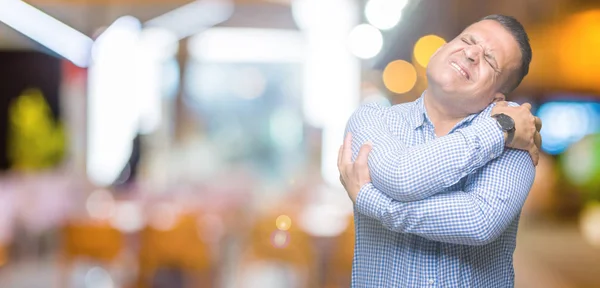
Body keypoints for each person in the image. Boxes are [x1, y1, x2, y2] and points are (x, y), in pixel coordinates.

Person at [337, 15, 541, 287]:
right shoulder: (372, 119)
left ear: (497, 97)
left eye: (490, 60)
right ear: (438, 50)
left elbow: (478, 221)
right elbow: (401, 176)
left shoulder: (519, 140)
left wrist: (375, 202)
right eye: (467, 40)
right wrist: (499, 129)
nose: (471, 53)